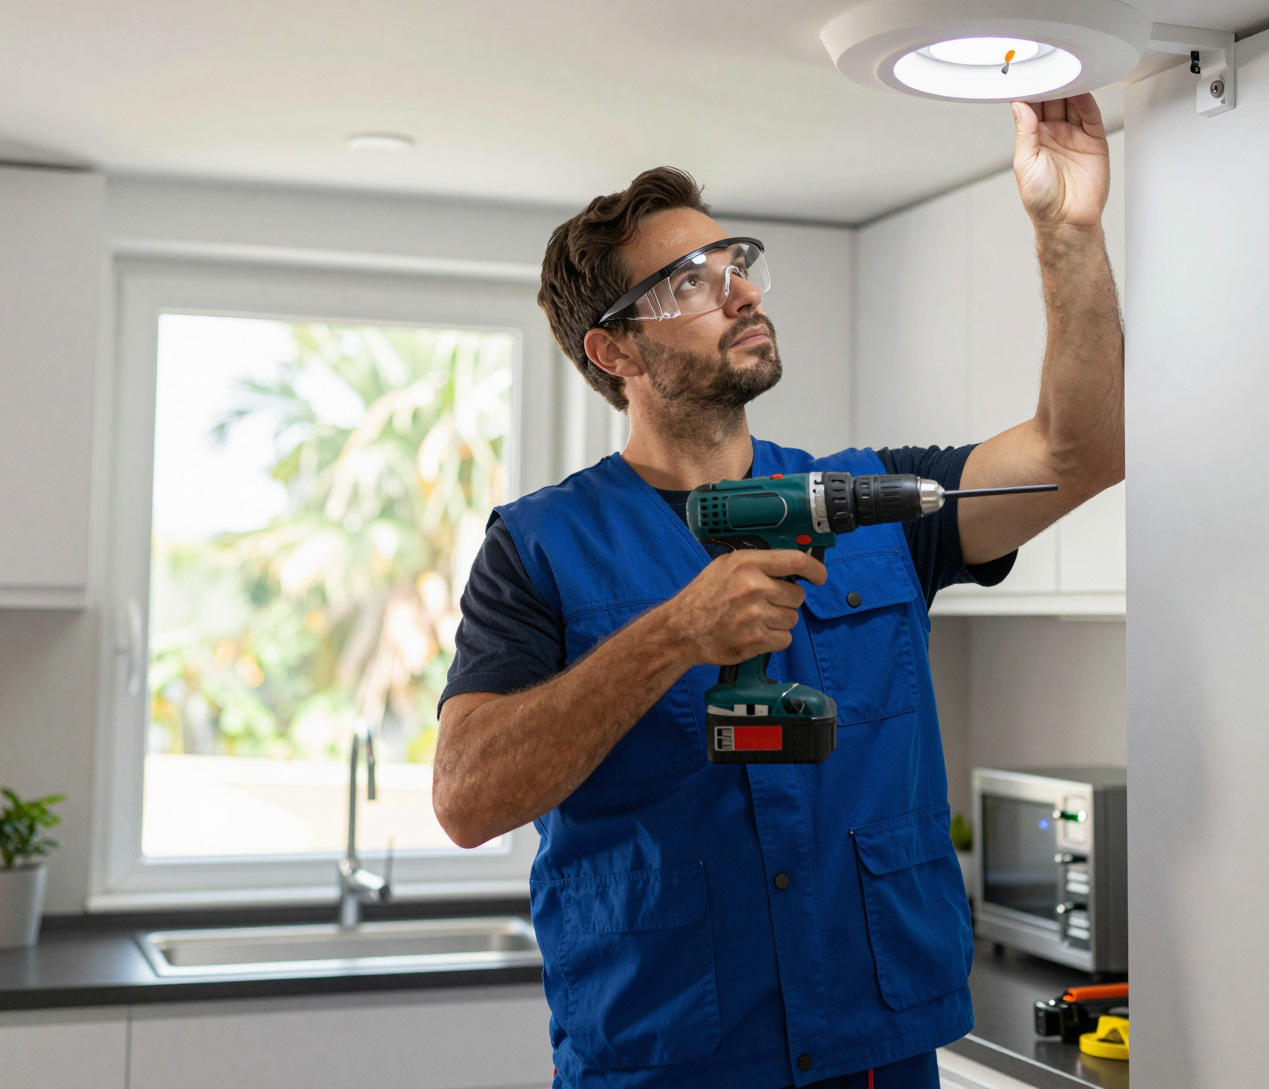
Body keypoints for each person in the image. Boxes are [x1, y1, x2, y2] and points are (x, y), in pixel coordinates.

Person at [432, 94, 1124, 1089]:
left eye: (738, 265)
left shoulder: (871, 501)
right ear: (615, 351)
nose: (742, 293)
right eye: (691, 281)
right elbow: (466, 799)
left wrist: (1067, 229)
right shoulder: (538, 549)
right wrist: (673, 636)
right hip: (666, 1067)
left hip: (876, 1056)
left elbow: (1081, 453)